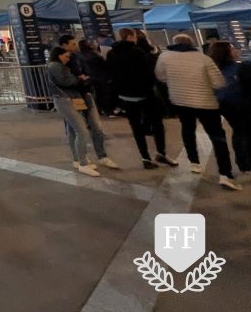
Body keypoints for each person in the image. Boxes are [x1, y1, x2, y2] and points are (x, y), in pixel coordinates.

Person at [156, 34, 240, 191]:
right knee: (217, 138)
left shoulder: (164, 57)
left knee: (187, 130)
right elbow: (219, 82)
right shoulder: (203, 59)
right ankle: (225, 174)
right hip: (205, 102)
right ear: (192, 43)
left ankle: (194, 162)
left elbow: (161, 77)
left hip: (180, 101)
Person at [46, 36, 118, 178]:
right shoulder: (57, 66)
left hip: (80, 97)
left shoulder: (74, 59)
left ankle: (85, 159)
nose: (75, 46)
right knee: (80, 131)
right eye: (72, 44)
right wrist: (81, 80)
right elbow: (68, 81)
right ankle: (81, 161)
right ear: (63, 47)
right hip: (69, 99)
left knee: (81, 129)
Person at [106, 28, 177, 169]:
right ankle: (161, 153)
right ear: (131, 36)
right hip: (145, 94)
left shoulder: (111, 53)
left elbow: (111, 73)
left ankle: (145, 157)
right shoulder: (137, 52)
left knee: (136, 127)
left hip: (125, 95)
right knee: (157, 124)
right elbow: (148, 72)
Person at [208, 41, 250, 175]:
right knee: (244, 132)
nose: (236, 50)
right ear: (226, 53)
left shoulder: (213, 68)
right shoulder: (240, 67)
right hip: (240, 103)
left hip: (224, 104)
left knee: (238, 131)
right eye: (232, 48)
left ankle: (242, 162)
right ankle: (245, 162)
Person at [79, 38, 112, 117]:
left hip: (90, 76)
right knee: (102, 94)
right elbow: (103, 65)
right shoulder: (94, 54)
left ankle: (98, 110)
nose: (95, 43)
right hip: (99, 76)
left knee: (94, 95)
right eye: (93, 42)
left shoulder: (81, 55)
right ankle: (105, 110)